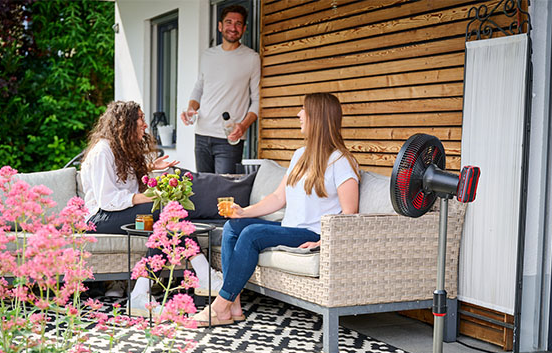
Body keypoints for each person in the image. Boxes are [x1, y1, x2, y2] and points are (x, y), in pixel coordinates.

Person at [192, 93, 360, 326]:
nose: (299, 114)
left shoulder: (341, 161)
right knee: (233, 226)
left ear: (318, 118)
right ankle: (235, 305)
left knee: (252, 234)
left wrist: (324, 243)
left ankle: (220, 306)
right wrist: (243, 212)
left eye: (304, 110)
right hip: (289, 227)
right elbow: (278, 197)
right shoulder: (300, 155)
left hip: (311, 233)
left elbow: (350, 214)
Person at [80, 100, 221, 314]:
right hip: (99, 219)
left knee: (165, 223)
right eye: (141, 119)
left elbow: (124, 183)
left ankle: (141, 293)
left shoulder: (121, 150)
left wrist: (148, 168)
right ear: (126, 123)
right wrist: (148, 197)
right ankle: (204, 274)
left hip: (114, 213)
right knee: (166, 212)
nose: (145, 125)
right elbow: (107, 200)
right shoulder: (103, 151)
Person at [180, 4, 260, 174]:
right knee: (203, 186)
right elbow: (199, 88)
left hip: (229, 139)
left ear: (244, 28)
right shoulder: (207, 56)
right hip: (201, 134)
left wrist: (243, 126)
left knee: (224, 188)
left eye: (238, 24)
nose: (233, 27)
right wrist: (191, 109)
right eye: (229, 22)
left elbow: (257, 100)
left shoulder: (252, 58)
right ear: (220, 26)